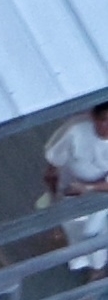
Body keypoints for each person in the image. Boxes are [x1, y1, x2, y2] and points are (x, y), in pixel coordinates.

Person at [44, 101, 108, 276]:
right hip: (70, 184)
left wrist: (88, 188)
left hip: (101, 192)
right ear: (93, 117)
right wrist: (54, 196)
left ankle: (97, 270)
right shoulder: (75, 129)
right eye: (104, 120)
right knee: (72, 226)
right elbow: (53, 165)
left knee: (92, 232)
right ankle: (81, 257)